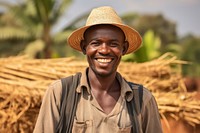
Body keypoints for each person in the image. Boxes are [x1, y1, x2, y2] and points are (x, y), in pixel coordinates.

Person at [34, 6, 163, 133]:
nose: (104, 50)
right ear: (84, 47)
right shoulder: (60, 94)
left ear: (124, 48)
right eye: (96, 43)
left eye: (113, 44)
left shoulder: (142, 100)